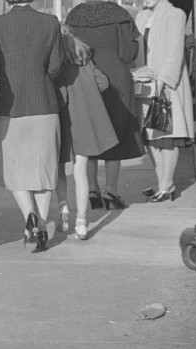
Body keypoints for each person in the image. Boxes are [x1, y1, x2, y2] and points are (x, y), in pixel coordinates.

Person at [0, 0, 62, 252]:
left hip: (9, 106)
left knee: (15, 169)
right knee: (43, 170)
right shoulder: (51, 23)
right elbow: (55, 67)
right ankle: (40, 225)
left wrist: (0, 76)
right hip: (44, 104)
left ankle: (29, 216)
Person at [64, 0, 142, 211]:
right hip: (117, 79)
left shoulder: (74, 14)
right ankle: (111, 191)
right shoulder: (120, 15)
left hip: (85, 79)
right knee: (116, 134)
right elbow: (128, 53)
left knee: (89, 134)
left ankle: (93, 191)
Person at [132, 0, 195, 202]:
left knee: (167, 137)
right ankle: (161, 182)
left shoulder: (175, 14)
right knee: (151, 137)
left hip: (167, 87)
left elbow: (174, 53)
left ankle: (167, 186)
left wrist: (162, 81)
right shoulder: (140, 17)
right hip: (146, 84)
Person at [53, 26, 118, 240]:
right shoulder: (86, 61)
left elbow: (60, 93)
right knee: (80, 171)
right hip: (84, 124)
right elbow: (104, 82)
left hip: (64, 121)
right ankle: (81, 221)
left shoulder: (58, 66)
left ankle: (63, 207)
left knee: (60, 168)